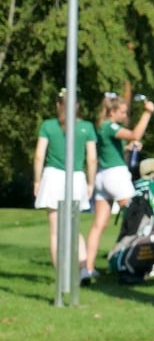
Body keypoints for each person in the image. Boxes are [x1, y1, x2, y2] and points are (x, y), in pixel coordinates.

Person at [85, 93, 154, 282]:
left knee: (99, 225)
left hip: (102, 177)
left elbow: (113, 147)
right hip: (115, 176)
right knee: (136, 218)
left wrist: (128, 147)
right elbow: (135, 134)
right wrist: (147, 113)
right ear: (112, 111)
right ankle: (129, 263)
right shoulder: (110, 126)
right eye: (122, 112)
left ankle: (88, 268)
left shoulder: (102, 127)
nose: (125, 116)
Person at [33, 91, 98, 280]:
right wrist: (91, 182)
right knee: (74, 228)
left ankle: (62, 275)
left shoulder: (48, 126)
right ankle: (83, 270)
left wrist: (37, 181)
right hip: (76, 177)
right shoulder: (86, 127)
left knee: (55, 232)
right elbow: (92, 159)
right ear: (77, 106)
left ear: (58, 105)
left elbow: (39, 156)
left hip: (53, 177)